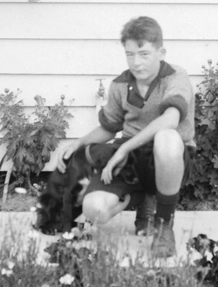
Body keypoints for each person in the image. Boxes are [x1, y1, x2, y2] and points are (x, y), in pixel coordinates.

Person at [54, 16, 195, 258]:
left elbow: (170, 120)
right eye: (129, 54)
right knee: (94, 209)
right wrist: (79, 143)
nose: (136, 63)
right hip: (132, 161)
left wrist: (123, 148)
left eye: (143, 54)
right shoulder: (120, 84)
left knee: (167, 138)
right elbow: (110, 127)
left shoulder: (175, 76)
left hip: (169, 158)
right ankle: (140, 200)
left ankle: (163, 224)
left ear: (161, 52)